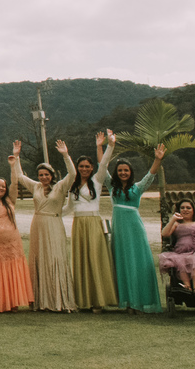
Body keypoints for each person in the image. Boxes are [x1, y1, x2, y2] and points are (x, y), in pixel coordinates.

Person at [10, 139, 76, 313]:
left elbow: (72, 174)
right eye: (40, 175)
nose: (43, 177)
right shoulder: (36, 187)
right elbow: (19, 176)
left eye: (46, 174)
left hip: (54, 224)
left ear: (52, 175)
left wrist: (65, 155)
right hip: (38, 225)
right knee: (39, 258)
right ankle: (40, 300)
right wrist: (16, 157)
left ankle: (58, 300)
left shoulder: (60, 187)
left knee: (55, 257)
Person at [109, 145, 166, 313]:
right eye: (120, 170)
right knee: (122, 263)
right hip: (119, 230)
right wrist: (102, 147)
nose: (123, 173)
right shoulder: (112, 187)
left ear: (130, 172)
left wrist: (158, 159)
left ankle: (140, 302)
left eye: (126, 170)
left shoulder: (138, 187)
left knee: (138, 262)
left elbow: (150, 176)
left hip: (135, 229)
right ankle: (127, 301)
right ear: (116, 172)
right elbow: (102, 168)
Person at [67, 131, 118, 312]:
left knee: (96, 259)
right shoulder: (72, 185)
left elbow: (104, 163)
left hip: (94, 223)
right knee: (81, 261)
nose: (84, 169)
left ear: (91, 168)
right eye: (81, 166)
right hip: (78, 224)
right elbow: (68, 208)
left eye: (87, 166)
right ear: (77, 167)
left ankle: (98, 301)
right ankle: (84, 301)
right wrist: (49, 214)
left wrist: (107, 146)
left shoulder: (97, 180)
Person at [0, 175, 32, 312]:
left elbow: (15, 183)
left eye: (3, 186)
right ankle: (2, 302)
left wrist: (13, 165)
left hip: (13, 242)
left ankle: (14, 303)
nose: (1, 188)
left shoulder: (9, 200)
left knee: (13, 269)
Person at [159, 189, 195, 291]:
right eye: (182, 208)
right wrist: (173, 219)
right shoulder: (176, 224)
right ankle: (187, 287)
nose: (185, 210)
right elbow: (165, 233)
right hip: (180, 253)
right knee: (180, 262)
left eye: (188, 208)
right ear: (179, 210)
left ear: (193, 210)